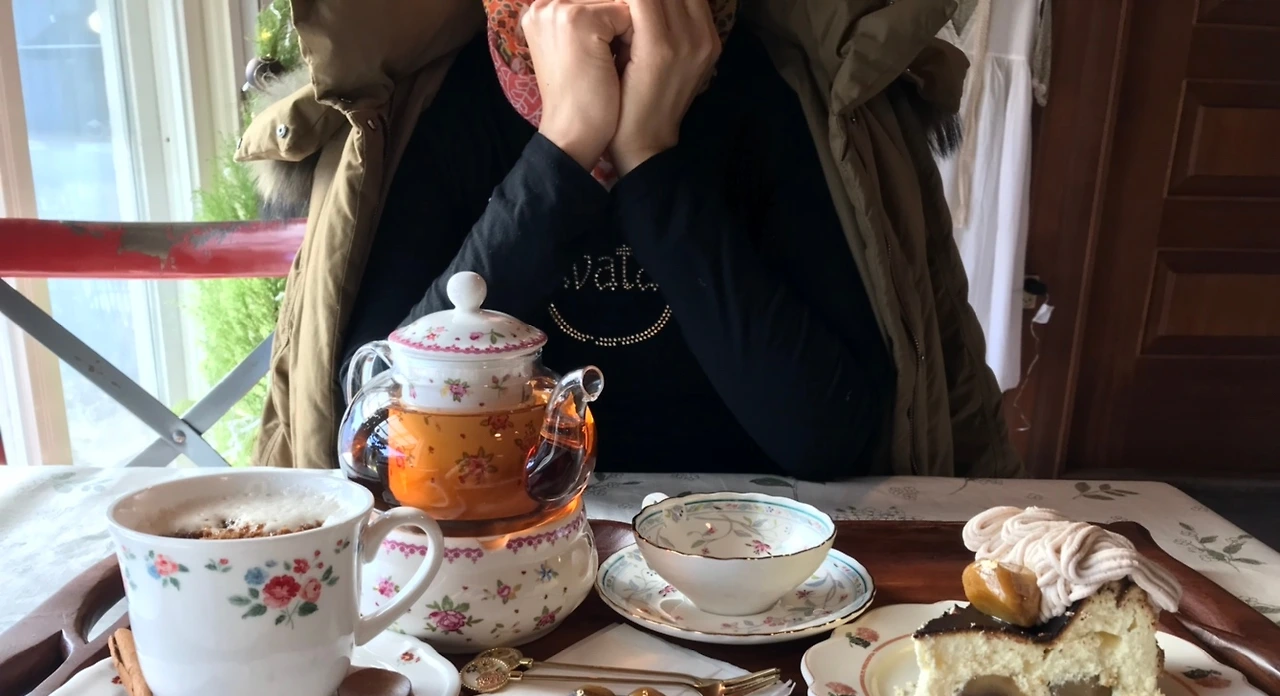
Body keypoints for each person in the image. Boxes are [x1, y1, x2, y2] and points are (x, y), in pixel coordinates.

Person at [239, 0, 1021, 479]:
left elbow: (827, 435)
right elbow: (380, 429)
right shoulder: (429, 102)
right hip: (482, 566)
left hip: (750, 577)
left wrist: (649, 157)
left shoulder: (791, 92)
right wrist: (564, 148)